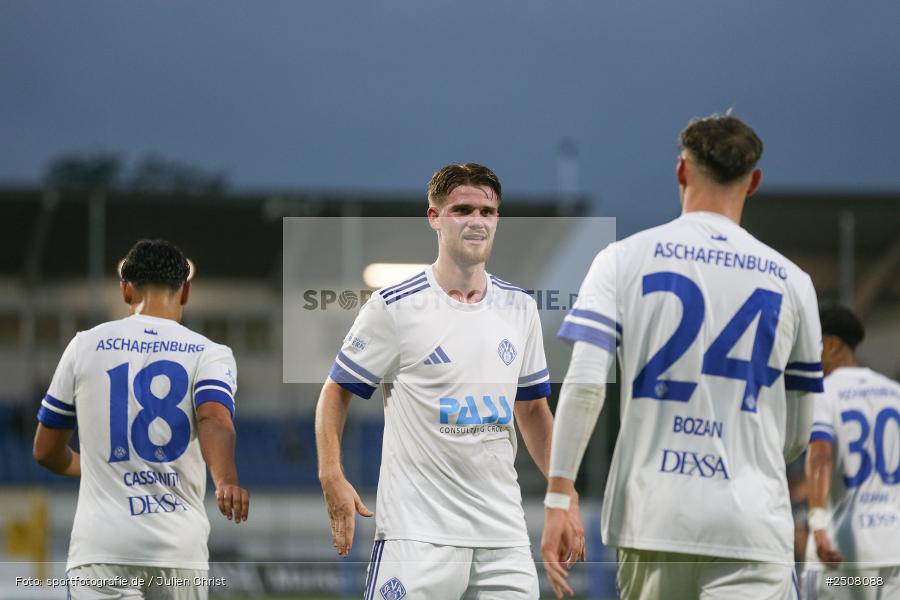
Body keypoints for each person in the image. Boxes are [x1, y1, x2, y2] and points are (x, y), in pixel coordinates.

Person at [541, 114, 823, 599]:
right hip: (752, 525)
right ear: (753, 181)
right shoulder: (794, 282)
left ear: (680, 170)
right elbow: (799, 433)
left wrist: (558, 494)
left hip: (653, 516)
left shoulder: (622, 259)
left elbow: (585, 384)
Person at [315, 163, 584, 600]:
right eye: (462, 209)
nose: (477, 221)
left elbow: (533, 411)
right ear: (434, 217)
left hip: (503, 537)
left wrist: (563, 493)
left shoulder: (520, 308)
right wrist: (332, 475)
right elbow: (335, 392)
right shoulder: (394, 307)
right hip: (417, 536)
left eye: (488, 211)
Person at [33, 239, 249, 600]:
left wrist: (92, 466)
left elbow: (44, 451)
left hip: (102, 546)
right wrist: (226, 480)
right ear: (185, 291)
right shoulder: (211, 353)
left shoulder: (84, 345)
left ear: (125, 289)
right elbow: (214, 418)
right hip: (178, 549)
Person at [803, 305, 900, 599]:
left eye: (812, 344)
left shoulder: (824, 392)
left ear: (832, 345)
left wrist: (818, 526)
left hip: (841, 555)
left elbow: (820, 454)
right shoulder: (895, 393)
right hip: (893, 554)